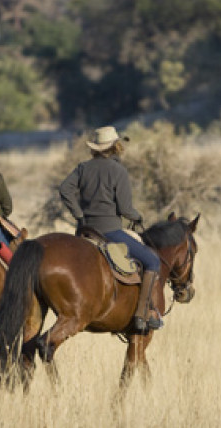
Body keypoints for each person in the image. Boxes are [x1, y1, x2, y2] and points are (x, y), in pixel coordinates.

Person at [59, 126, 163, 333]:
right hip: (111, 233)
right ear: (116, 146)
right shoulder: (118, 171)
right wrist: (137, 216)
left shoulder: (82, 168)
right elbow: (125, 209)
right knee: (153, 261)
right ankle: (142, 314)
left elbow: (64, 189)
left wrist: (79, 215)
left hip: (86, 231)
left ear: (95, 148)